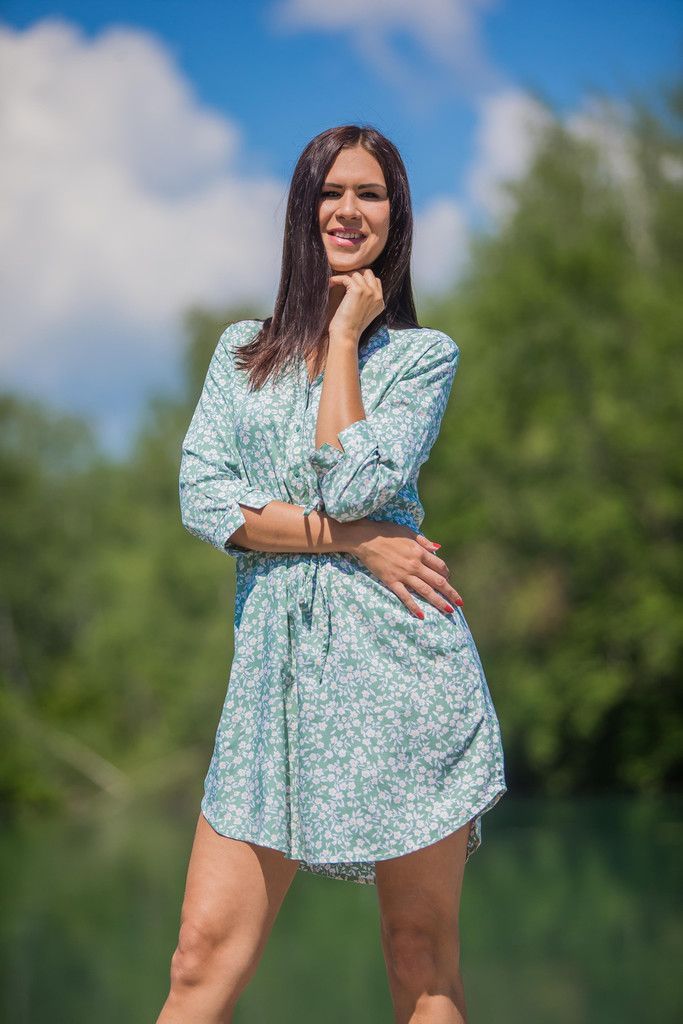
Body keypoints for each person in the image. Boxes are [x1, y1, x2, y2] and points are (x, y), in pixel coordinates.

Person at [157, 124, 507, 1024]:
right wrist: (351, 540)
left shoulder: (422, 358)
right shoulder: (241, 352)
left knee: (417, 954)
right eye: (331, 190)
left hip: (399, 673)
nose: (349, 210)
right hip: (271, 686)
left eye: (371, 193)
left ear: (396, 217)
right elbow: (204, 497)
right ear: (302, 208)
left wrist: (347, 336)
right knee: (199, 959)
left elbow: (354, 479)